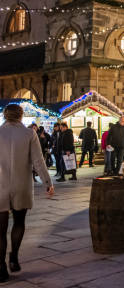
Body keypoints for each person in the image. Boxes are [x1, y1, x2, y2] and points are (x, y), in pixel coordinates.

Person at [0, 104, 54, 282]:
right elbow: (38, 161)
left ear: (5, 116)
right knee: (19, 222)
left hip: (0, 186)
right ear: (21, 116)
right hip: (21, 185)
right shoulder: (29, 134)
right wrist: (48, 182)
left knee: (0, 231)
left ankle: (0, 267)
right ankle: (14, 256)